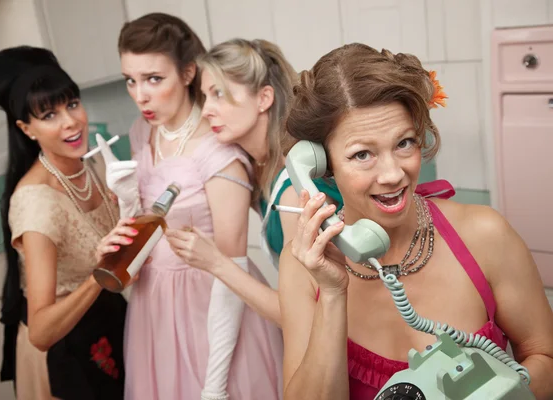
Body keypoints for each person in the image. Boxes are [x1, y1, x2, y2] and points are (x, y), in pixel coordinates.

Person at [278, 42, 553, 400]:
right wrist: (332, 293)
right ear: (322, 165)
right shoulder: (301, 267)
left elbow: (544, 355)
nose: (394, 174)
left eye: (405, 143)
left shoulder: (485, 235)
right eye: (363, 154)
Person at [103, 13, 283, 400]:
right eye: (130, 80)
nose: (140, 95)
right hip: (155, 306)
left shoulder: (219, 148)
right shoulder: (141, 132)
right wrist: (126, 205)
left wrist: (214, 387)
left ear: (187, 74)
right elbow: (144, 231)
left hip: (212, 308)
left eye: (154, 79)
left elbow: (231, 268)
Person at [0, 46, 134, 400]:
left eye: (71, 104)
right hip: (67, 354)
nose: (70, 122)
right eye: (49, 115)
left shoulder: (90, 166)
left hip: (110, 323)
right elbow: (41, 331)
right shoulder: (37, 202)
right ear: (26, 128)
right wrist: (104, 272)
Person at [166, 38, 342, 326]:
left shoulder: (294, 192)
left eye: (219, 94)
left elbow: (300, 317)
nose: (207, 109)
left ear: (264, 98)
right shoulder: (260, 168)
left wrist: (216, 262)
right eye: (205, 96)